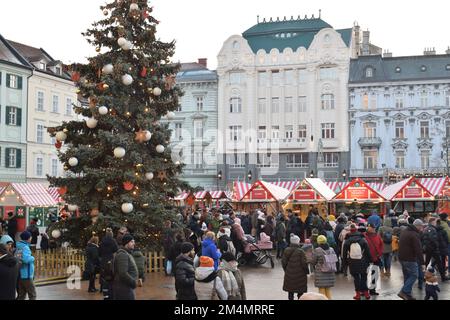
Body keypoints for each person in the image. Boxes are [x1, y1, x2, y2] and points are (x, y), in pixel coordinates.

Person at [342, 224, 373, 300]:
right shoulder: (363, 240)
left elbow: (344, 253)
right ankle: (366, 294)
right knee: (363, 277)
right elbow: (368, 252)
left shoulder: (347, 241)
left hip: (352, 262)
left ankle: (358, 295)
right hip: (363, 261)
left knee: (356, 278)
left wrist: (345, 263)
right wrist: (370, 260)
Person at [397, 219, 426, 300]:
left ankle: (407, 295)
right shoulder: (414, 234)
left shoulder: (405, 231)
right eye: (421, 227)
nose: (422, 228)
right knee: (414, 275)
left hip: (402, 257)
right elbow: (418, 249)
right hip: (409, 258)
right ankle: (404, 291)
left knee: (407, 276)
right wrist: (423, 263)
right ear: (418, 226)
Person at [282, 234, 309, 300]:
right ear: (298, 241)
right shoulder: (301, 251)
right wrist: (306, 271)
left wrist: (287, 270)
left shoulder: (286, 250)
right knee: (300, 292)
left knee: (290, 292)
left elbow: (283, 262)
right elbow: (304, 264)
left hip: (289, 274)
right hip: (300, 275)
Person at [112, 234, 138, 300]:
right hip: (123, 288)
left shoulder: (126, 253)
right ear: (126, 243)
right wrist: (133, 282)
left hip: (126, 287)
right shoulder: (122, 255)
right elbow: (123, 273)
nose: (134, 243)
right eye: (132, 242)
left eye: (134, 241)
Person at [311, 235, 337, 299]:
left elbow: (313, 262)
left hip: (321, 273)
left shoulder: (317, 250)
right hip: (330, 271)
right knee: (328, 289)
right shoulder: (331, 249)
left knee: (321, 289)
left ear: (318, 242)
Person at [99, 228, 118, 299]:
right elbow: (116, 249)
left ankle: (103, 291)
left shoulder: (102, 241)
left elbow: (99, 252)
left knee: (104, 276)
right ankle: (111, 292)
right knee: (111, 275)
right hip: (110, 259)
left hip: (103, 260)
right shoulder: (113, 241)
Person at [16, 231, 36, 300]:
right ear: (28, 238)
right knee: (32, 295)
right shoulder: (25, 247)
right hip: (27, 275)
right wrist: (33, 257)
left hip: (21, 274)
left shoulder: (19, 246)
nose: (31, 238)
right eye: (30, 237)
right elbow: (26, 259)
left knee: (21, 295)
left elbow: (19, 258)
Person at [364, 223, 383, 296]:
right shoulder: (364, 236)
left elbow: (381, 244)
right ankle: (364, 290)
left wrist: (379, 254)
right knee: (365, 274)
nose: (373, 229)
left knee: (374, 274)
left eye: (373, 228)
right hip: (366, 258)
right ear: (368, 228)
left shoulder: (377, 236)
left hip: (376, 258)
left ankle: (372, 290)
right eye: (371, 228)